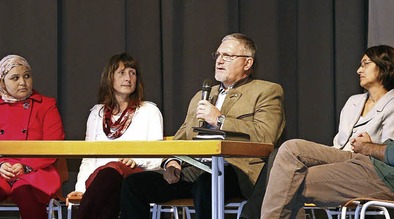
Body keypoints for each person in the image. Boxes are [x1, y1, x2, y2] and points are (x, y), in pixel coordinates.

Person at [261, 18, 394, 219]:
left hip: (385, 179)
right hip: (374, 168)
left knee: (289, 181)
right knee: (290, 149)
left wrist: (369, 147)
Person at [121, 33, 286, 219]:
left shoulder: (266, 91)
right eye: (217, 55)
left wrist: (220, 120)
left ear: (247, 63)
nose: (220, 61)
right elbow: (180, 139)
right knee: (134, 184)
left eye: (228, 56)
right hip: (195, 169)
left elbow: (265, 136)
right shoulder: (202, 95)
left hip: (237, 171)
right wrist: (172, 161)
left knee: (207, 184)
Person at [66, 53, 163, 218]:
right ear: (109, 78)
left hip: (136, 175)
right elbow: (89, 157)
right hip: (101, 181)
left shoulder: (149, 110)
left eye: (132, 73)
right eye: (122, 73)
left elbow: (158, 157)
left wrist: (135, 160)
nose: (128, 78)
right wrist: (80, 188)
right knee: (108, 192)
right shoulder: (97, 113)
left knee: (111, 171)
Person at [0, 54, 65, 219]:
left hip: (35, 171)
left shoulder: (47, 105)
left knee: (26, 193)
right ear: (2, 81)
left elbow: (54, 145)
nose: (23, 82)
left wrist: (26, 166)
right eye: (15, 78)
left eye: (26, 76)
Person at [332, 45, 394, 151]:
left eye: (365, 64)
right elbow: (338, 143)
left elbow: (391, 153)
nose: (359, 70)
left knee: (301, 150)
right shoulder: (353, 101)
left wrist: (369, 146)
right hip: (337, 157)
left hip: (362, 163)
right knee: (301, 152)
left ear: (385, 68)